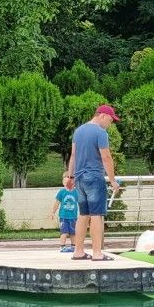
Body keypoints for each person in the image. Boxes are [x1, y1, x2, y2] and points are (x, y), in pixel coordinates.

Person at [64, 104, 121, 261]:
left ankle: (78, 252)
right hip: (94, 177)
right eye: (110, 120)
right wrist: (113, 180)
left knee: (83, 214)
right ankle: (97, 253)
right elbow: (106, 157)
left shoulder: (78, 131)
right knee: (96, 215)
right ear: (102, 115)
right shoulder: (100, 132)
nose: (110, 124)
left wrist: (70, 177)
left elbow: (73, 155)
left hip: (79, 178)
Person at [51, 176, 79, 252]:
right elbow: (57, 203)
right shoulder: (62, 192)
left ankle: (73, 246)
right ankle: (62, 246)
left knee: (73, 232)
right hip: (63, 216)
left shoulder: (76, 192)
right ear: (63, 183)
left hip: (73, 216)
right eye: (65, 182)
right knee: (64, 232)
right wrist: (53, 212)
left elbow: (80, 202)